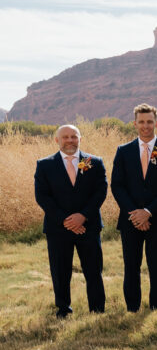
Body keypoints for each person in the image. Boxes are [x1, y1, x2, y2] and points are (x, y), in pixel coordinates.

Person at [34, 124, 107, 317]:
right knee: (60, 271)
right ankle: (63, 310)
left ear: (80, 139)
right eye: (65, 137)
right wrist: (65, 220)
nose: (70, 140)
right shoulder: (44, 165)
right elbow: (42, 197)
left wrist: (82, 216)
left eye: (74, 137)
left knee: (93, 270)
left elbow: (100, 192)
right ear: (57, 140)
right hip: (58, 228)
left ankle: (97, 309)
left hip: (88, 226)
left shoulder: (94, 162)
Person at [110, 103, 157, 312]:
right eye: (141, 122)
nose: (146, 126)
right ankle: (132, 306)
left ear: (156, 123)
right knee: (131, 265)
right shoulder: (124, 151)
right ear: (135, 123)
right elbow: (117, 185)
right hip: (130, 219)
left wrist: (148, 212)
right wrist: (135, 213)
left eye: (149, 122)